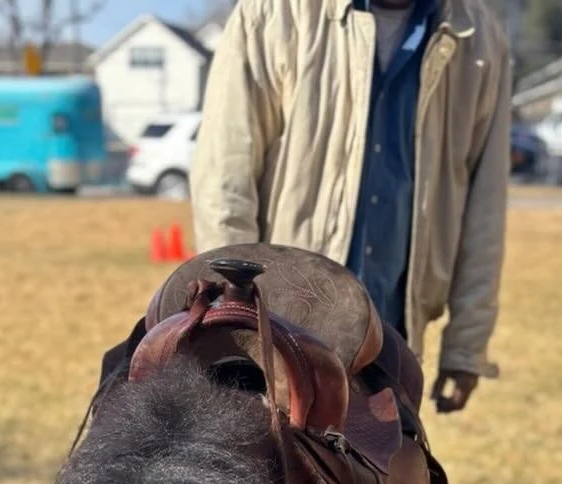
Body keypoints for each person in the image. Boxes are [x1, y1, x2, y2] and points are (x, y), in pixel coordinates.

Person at [190, 0, 511, 414]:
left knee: (388, 473)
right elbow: (225, 177)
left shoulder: (479, 38)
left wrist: (466, 346)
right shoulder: (273, 14)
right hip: (280, 330)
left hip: (393, 342)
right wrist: (236, 318)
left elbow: (485, 203)